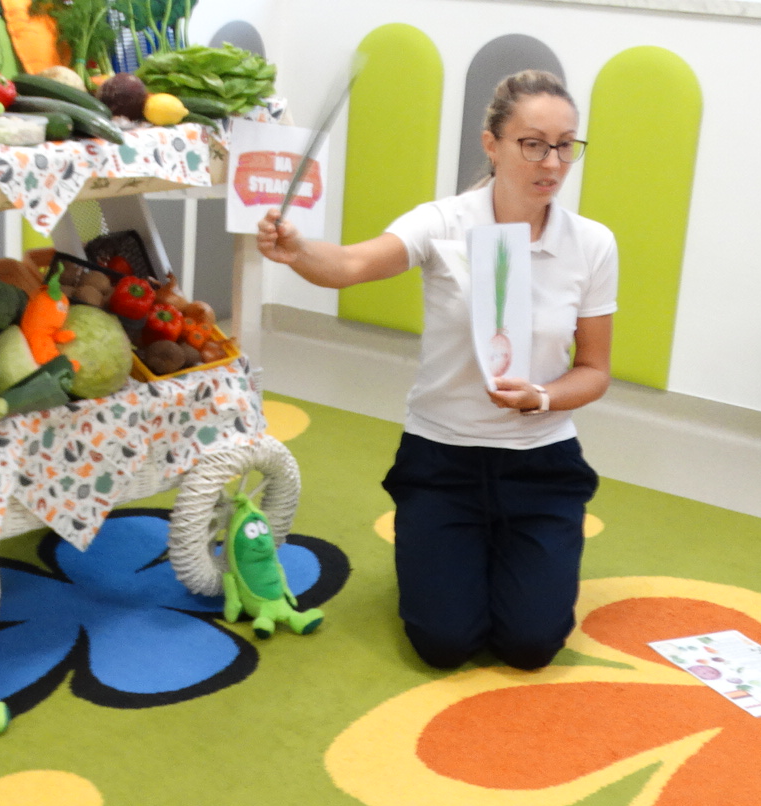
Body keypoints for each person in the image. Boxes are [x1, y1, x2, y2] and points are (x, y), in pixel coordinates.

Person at [257, 70, 616, 671]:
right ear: (492, 144)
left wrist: (542, 396)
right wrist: (298, 252)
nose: (552, 162)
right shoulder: (442, 221)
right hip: (443, 458)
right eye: (533, 144)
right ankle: (450, 547)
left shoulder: (593, 243)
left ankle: (505, 549)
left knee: (531, 645)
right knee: (444, 643)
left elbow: (595, 371)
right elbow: (352, 264)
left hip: (541, 464)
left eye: (564, 145)